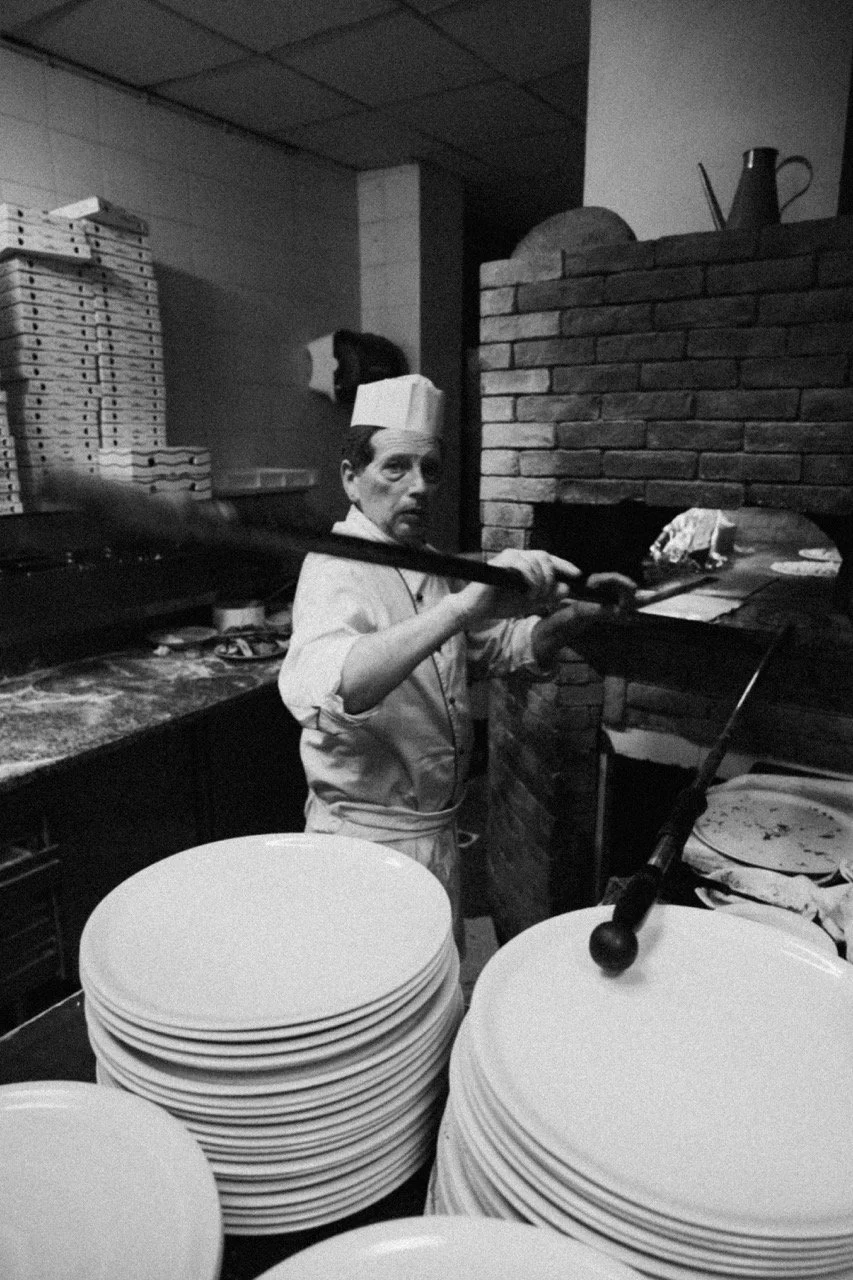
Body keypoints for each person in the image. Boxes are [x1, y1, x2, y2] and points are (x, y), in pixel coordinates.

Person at [278, 374, 635, 951]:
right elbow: (332, 688)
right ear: (352, 479)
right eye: (395, 468)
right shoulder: (334, 565)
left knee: (438, 986)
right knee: (384, 1002)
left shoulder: (429, 563)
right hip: (367, 846)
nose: (418, 487)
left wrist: (575, 618)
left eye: (430, 470)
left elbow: (488, 651)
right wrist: (463, 605)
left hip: (435, 835)